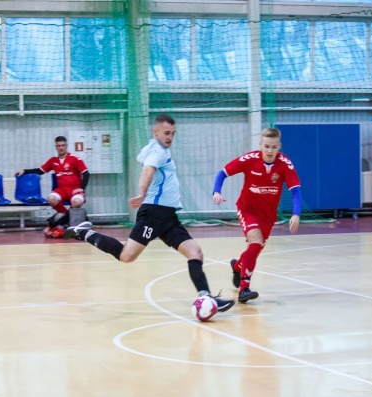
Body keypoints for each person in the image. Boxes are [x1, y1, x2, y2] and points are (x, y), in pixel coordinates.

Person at [63, 114, 235, 313]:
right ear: (155, 132)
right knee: (126, 256)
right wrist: (143, 193)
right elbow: (147, 171)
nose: (170, 137)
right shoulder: (158, 152)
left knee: (195, 252)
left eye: (173, 133)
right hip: (154, 213)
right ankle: (84, 232)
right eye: (166, 133)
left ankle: (206, 297)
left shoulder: (150, 148)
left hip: (168, 216)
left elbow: (141, 160)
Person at [212, 127, 302, 303]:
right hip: (247, 209)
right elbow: (222, 173)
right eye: (266, 146)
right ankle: (244, 290)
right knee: (255, 242)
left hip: (268, 216)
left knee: (254, 251)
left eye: (274, 147)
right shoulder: (249, 159)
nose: (269, 151)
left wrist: (296, 214)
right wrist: (217, 191)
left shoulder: (285, 164)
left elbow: (296, 191)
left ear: (279, 146)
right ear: (260, 145)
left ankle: (237, 266)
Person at [16, 135, 89, 238]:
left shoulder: (75, 159)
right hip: (62, 189)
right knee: (51, 199)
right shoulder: (53, 160)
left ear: (66, 146)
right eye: (59, 146)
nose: (61, 148)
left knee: (76, 202)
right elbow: (40, 171)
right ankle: (65, 219)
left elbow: (86, 173)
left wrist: (82, 188)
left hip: (75, 189)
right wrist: (25, 171)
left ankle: (61, 223)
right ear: (56, 147)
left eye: (63, 145)